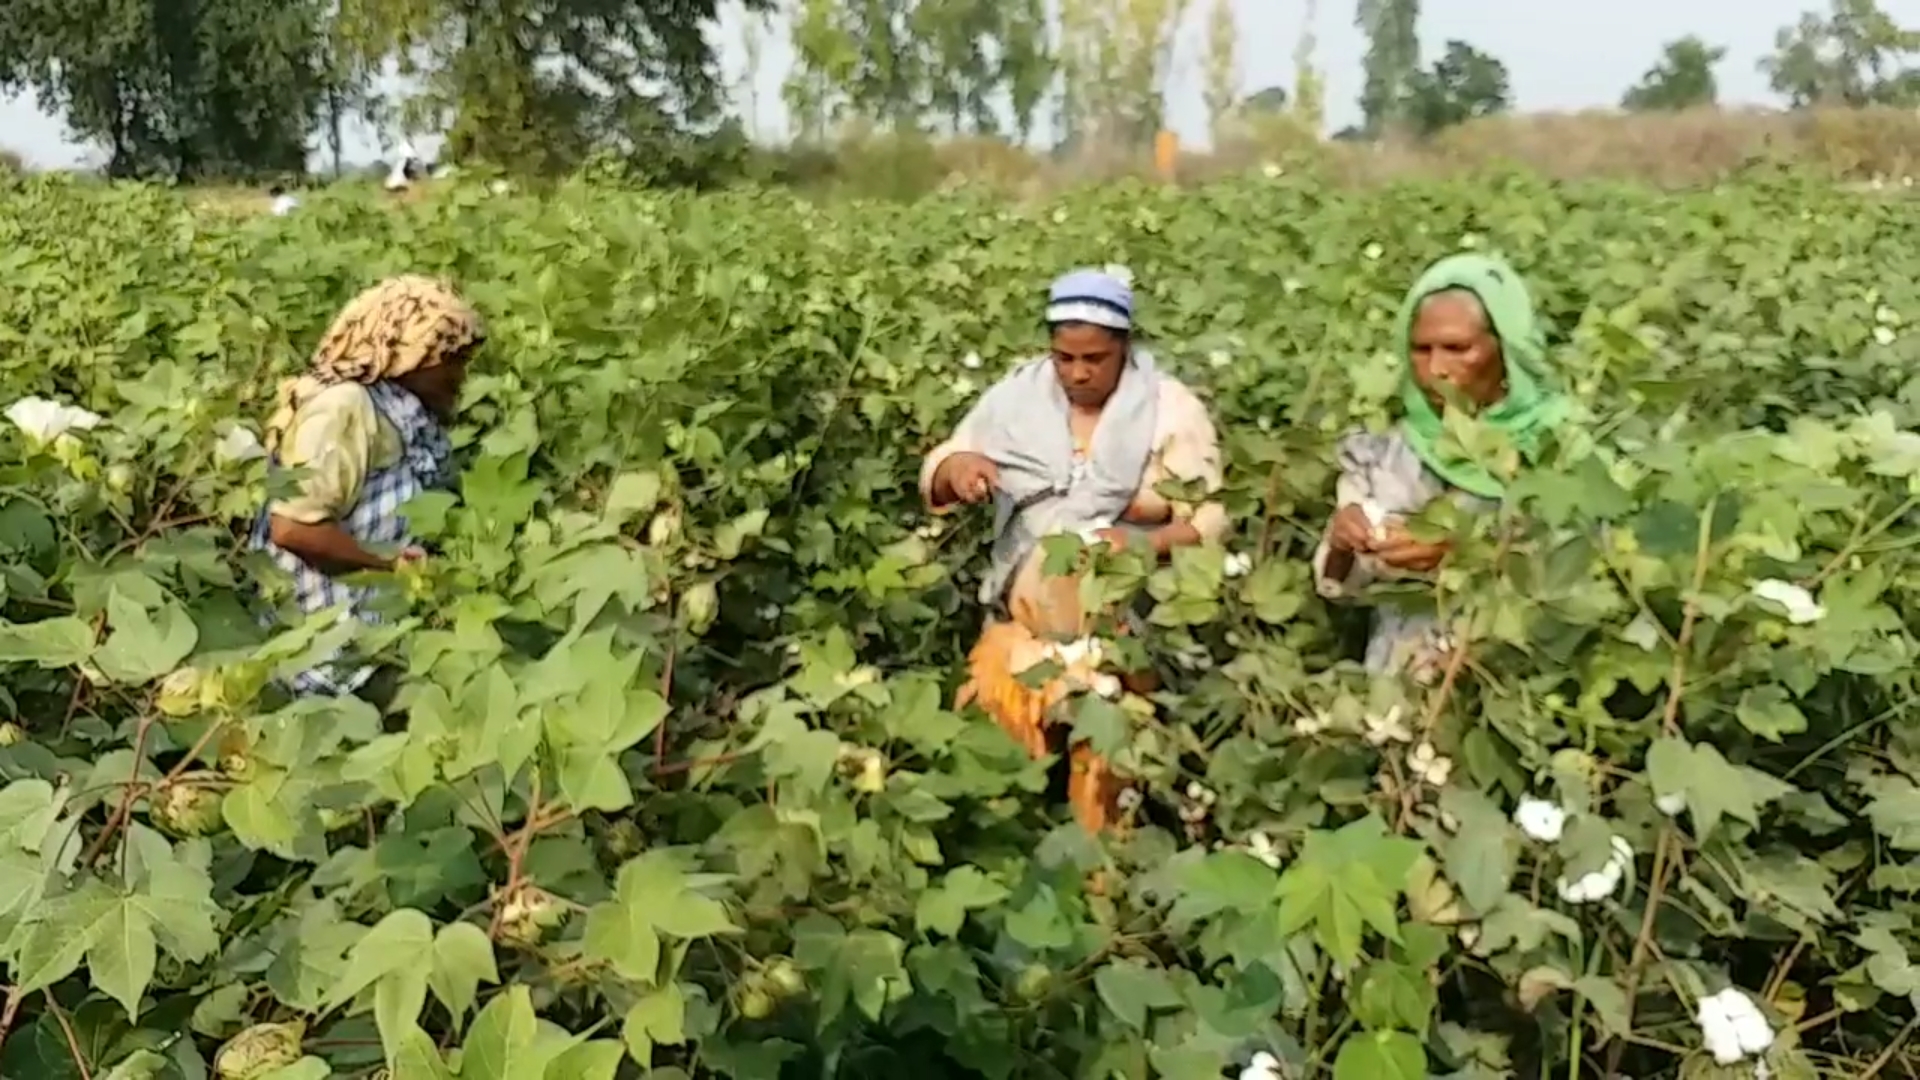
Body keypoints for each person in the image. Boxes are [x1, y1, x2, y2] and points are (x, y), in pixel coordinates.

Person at [921, 269, 1228, 831]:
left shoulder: (1170, 410)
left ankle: (1105, 889)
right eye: (1066, 358)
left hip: (1123, 647)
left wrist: (1144, 542)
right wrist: (960, 470)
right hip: (1023, 638)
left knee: (1109, 789)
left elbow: (1209, 519)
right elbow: (945, 461)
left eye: (1095, 359)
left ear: (1125, 349)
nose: (1079, 372)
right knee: (1000, 781)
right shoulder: (1014, 399)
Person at [1313, 253, 1569, 679]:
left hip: (1514, 688)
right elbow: (1339, 589)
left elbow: (1581, 585)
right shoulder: (1387, 451)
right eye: (1420, 349)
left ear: (1505, 346)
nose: (1435, 369)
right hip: (1395, 690)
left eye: (1457, 348)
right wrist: (1343, 542)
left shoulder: (1561, 449)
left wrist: (1464, 555)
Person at [250, 275, 484, 696]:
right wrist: (391, 568)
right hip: (327, 635)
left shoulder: (396, 409)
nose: (458, 376)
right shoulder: (345, 407)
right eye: (450, 360)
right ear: (411, 353)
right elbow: (294, 529)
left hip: (372, 626)